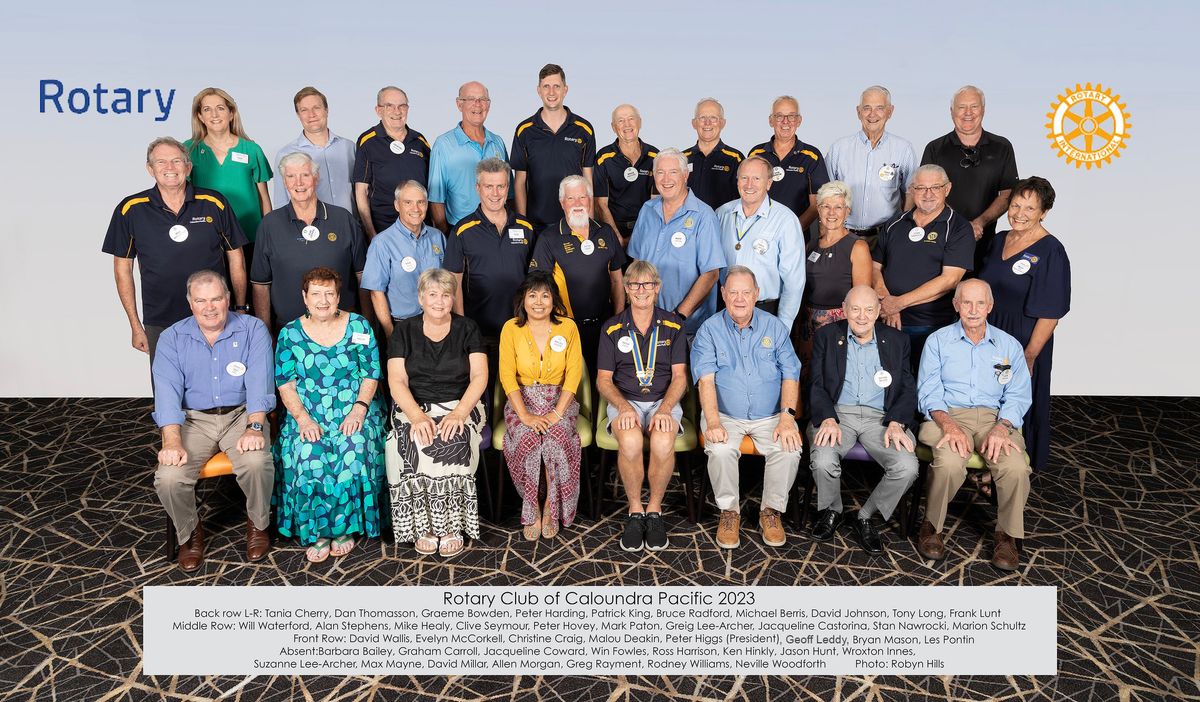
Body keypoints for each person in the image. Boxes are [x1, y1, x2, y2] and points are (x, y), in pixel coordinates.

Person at [152, 270, 274, 571]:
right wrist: (171, 441)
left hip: (241, 414)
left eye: (216, 299)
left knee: (257, 462)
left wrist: (255, 426)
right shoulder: (172, 338)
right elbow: (166, 394)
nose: (210, 307)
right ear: (190, 303)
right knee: (168, 477)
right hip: (193, 420)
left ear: (228, 299)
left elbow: (260, 383)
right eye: (201, 300)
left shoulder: (253, 329)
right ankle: (190, 532)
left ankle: (258, 524)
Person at [916, 279, 1033, 571]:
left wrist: (1002, 427)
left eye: (980, 303)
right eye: (966, 302)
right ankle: (931, 527)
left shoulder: (1009, 345)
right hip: (947, 416)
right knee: (950, 462)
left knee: (1015, 466)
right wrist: (950, 426)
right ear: (956, 305)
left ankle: (1007, 537)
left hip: (995, 418)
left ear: (990, 307)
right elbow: (928, 392)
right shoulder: (938, 342)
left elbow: (1018, 395)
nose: (973, 310)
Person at [272, 267, 385, 562]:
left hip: (354, 405)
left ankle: (345, 528)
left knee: (354, 446)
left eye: (329, 294)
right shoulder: (289, 334)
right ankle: (321, 530)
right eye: (316, 295)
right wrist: (303, 419)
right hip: (309, 410)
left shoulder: (359, 326)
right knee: (309, 453)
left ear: (338, 297)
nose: (323, 301)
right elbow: (285, 383)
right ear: (305, 298)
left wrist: (360, 409)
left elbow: (371, 374)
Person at [103, 137, 249, 362]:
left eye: (176, 161)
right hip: (160, 318)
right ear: (150, 169)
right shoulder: (130, 209)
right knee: (167, 389)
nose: (170, 168)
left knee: (220, 388)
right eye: (161, 162)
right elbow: (122, 270)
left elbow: (236, 257)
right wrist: (135, 323)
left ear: (188, 167)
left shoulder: (215, 203)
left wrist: (240, 308)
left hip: (215, 315)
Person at [691, 266, 802, 549]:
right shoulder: (709, 330)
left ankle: (771, 511)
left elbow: (791, 373)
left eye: (746, 292)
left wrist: (787, 418)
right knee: (720, 449)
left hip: (770, 416)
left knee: (789, 448)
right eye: (733, 292)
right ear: (723, 294)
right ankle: (729, 512)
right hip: (725, 415)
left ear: (757, 295)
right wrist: (713, 422)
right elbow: (706, 381)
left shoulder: (774, 327)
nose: (739, 299)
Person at [807, 285, 918, 556]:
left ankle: (865, 516)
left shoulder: (897, 340)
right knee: (822, 460)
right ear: (844, 310)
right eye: (855, 309)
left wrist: (896, 422)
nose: (861, 316)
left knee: (906, 466)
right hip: (837, 414)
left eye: (869, 309)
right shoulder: (826, 336)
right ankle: (833, 511)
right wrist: (827, 419)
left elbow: (906, 386)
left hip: (881, 419)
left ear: (879, 311)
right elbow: (816, 383)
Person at [387, 268, 488, 558]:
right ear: (421, 298)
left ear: (453, 298)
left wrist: (458, 414)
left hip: (461, 404)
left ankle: (452, 525)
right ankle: (423, 526)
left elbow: (479, 377)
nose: (439, 301)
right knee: (408, 439)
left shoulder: (467, 328)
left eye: (446, 295)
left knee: (451, 440)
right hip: (413, 405)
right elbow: (397, 381)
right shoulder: (403, 331)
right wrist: (417, 416)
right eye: (432, 294)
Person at [977, 176, 1070, 471]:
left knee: (1017, 401)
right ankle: (984, 464)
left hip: (1024, 337)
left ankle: (1017, 465)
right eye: (1016, 205)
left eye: (1030, 208)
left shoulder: (1051, 250)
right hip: (990, 333)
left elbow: (1052, 312)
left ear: (1044, 212)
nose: (1019, 213)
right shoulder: (1000, 239)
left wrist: (1029, 354)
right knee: (986, 399)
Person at [596, 261, 688, 552]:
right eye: (634, 284)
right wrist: (623, 408)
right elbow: (603, 380)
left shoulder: (673, 326)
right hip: (626, 400)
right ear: (625, 288)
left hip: (663, 401)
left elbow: (681, 377)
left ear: (657, 288)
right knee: (632, 443)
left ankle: (654, 511)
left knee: (662, 444)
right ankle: (635, 511)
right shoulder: (611, 328)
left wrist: (665, 409)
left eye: (647, 284)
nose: (641, 290)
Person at [499, 270, 584, 540]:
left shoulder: (568, 327)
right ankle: (532, 507)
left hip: (560, 400)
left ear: (554, 300)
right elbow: (506, 374)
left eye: (545, 295)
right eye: (532, 295)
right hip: (521, 401)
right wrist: (524, 415)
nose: (539, 301)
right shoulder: (511, 328)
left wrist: (558, 412)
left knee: (555, 440)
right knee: (529, 440)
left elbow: (573, 374)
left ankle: (551, 507)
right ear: (522, 299)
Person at [444, 157, 537, 398]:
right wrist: (462, 327)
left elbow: (535, 280)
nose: (495, 194)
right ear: (478, 188)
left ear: (508, 187)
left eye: (501, 186)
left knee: (518, 394)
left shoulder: (526, 227)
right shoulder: (462, 230)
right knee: (483, 393)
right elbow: (453, 282)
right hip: (479, 330)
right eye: (489, 186)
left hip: (520, 327)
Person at [873, 164, 974, 369]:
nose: (928, 194)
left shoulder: (958, 228)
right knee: (890, 385)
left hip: (931, 325)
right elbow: (874, 267)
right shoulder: (894, 223)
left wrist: (900, 303)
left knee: (926, 387)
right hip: (888, 321)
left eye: (935, 187)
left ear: (947, 189)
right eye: (920, 188)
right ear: (911, 190)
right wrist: (887, 301)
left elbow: (950, 280)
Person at [251, 153, 366, 330]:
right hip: (289, 333)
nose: (299, 183)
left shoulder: (343, 219)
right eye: (291, 176)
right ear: (284, 182)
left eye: (305, 175)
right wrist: (265, 334)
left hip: (343, 331)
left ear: (316, 177)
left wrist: (368, 324)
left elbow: (362, 276)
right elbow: (260, 285)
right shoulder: (270, 224)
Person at [529, 174, 626, 373]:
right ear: (562, 203)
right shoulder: (549, 238)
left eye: (582, 197)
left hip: (604, 327)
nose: (577, 203)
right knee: (573, 387)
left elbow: (617, 281)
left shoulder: (606, 232)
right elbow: (538, 289)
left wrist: (619, 320)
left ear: (590, 200)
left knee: (604, 383)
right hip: (565, 328)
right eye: (571, 198)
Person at [628, 148, 726, 335]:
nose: (666, 179)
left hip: (687, 328)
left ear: (685, 175)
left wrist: (678, 316)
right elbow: (636, 265)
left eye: (673, 172)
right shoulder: (647, 210)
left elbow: (711, 274)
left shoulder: (704, 216)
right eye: (660, 172)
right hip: (646, 323)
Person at [922, 85, 1018, 269]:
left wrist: (980, 222)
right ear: (951, 111)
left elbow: (1008, 193)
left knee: (979, 295)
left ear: (983, 109)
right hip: (940, 240)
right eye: (961, 107)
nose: (968, 113)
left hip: (986, 241)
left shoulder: (1002, 147)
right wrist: (962, 226)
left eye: (974, 106)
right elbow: (926, 194)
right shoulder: (935, 149)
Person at [715, 156, 806, 331]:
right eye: (744, 178)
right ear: (737, 181)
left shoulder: (785, 220)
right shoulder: (721, 214)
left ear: (769, 183)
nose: (749, 185)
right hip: (724, 310)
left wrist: (783, 327)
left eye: (757, 178)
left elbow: (794, 281)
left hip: (765, 311)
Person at [826, 86, 917, 248]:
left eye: (879, 108)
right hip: (843, 236)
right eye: (866, 108)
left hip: (886, 237)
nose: (872, 114)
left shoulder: (903, 149)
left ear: (890, 111)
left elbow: (910, 193)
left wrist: (902, 229)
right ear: (858, 112)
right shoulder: (839, 149)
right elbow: (825, 194)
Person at [510, 64, 597, 233]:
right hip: (537, 224)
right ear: (538, 90)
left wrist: (590, 221)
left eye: (556, 86)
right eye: (546, 86)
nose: (551, 92)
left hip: (574, 221)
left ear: (565, 90)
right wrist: (522, 223)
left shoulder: (584, 129)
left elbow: (588, 180)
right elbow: (519, 182)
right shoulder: (525, 130)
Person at [184, 88, 272, 250]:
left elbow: (264, 199)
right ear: (200, 116)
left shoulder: (251, 149)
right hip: (206, 234)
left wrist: (268, 235)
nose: (214, 115)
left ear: (231, 113)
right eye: (207, 109)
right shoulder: (188, 150)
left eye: (220, 108)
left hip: (249, 235)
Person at [361, 181, 447, 339]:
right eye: (408, 202)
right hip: (403, 325)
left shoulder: (438, 237)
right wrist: (390, 334)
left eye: (421, 202)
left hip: (438, 322)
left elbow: (448, 282)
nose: (416, 209)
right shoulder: (382, 243)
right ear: (397, 205)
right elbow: (376, 292)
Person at [798, 181, 873, 350]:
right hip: (808, 323)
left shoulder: (857, 247)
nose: (831, 213)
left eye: (838, 207)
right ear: (818, 209)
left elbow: (862, 296)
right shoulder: (810, 245)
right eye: (826, 206)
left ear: (847, 211)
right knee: (810, 374)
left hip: (840, 325)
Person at [428, 81, 509, 233]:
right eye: (471, 99)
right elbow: (436, 199)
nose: (478, 104)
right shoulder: (443, 145)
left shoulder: (497, 142)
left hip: (497, 229)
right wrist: (447, 237)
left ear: (489, 105)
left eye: (483, 99)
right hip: (460, 230)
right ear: (459, 104)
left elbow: (508, 193)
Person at [353, 86, 431, 238]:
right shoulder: (368, 142)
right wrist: (371, 234)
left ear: (407, 109)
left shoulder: (420, 141)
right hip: (383, 229)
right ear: (378, 110)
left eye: (402, 106)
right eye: (389, 106)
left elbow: (432, 187)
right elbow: (361, 191)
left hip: (419, 228)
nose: (397, 111)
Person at [747, 95, 830, 229]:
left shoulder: (812, 156)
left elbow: (816, 205)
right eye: (779, 116)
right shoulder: (756, 154)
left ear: (799, 121)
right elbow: (747, 195)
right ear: (771, 121)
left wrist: (793, 230)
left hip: (797, 235)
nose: (785, 121)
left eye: (791, 116)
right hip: (758, 232)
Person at [273, 86, 356, 212]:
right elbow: (281, 202)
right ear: (298, 115)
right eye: (304, 110)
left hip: (350, 226)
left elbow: (360, 192)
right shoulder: (285, 154)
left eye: (316, 108)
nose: (311, 115)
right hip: (309, 229)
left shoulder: (348, 147)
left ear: (326, 110)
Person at [594, 104, 657, 244]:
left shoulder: (655, 156)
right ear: (613, 127)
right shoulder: (603, 158)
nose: (626, 125)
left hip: (645, 228)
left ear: (639, 122)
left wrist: (640, 235)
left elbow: (656, 202)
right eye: (621, 120)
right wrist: (616, 236)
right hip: (612, 227)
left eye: (631, 119)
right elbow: (600, 203)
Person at [684, 98, 745, 211]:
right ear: (694, 123)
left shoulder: (735, 158)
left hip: (722, 225)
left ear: (722, 123)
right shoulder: (682, 158)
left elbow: (745, 197)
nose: (708, 123)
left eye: (713, 118)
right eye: (702, 118)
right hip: (687, 226)